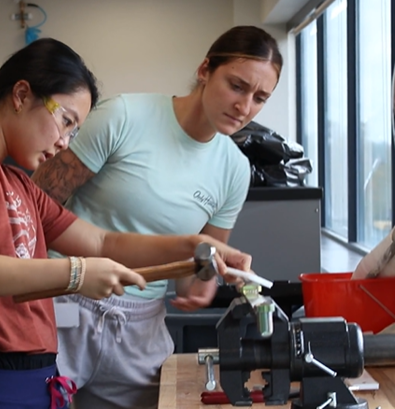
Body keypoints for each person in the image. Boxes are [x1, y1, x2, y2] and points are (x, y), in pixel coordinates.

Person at [0, 38, 252, 409]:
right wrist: (76, 274)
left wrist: (193, 245)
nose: (63, 143)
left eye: (74, 132)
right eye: (65, 121)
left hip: (29, 378)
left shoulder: (16, 182)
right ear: (21, 95)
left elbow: (102, 244)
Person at [32, 25, 283, 409]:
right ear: (204, 70)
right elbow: (35, 207)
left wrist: (203, 282)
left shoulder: (234, 169)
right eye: (237, 86)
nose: (245, 106)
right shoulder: (124, 115)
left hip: (139, 326)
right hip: (65, 304)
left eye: (260, 98)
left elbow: (197, 264)